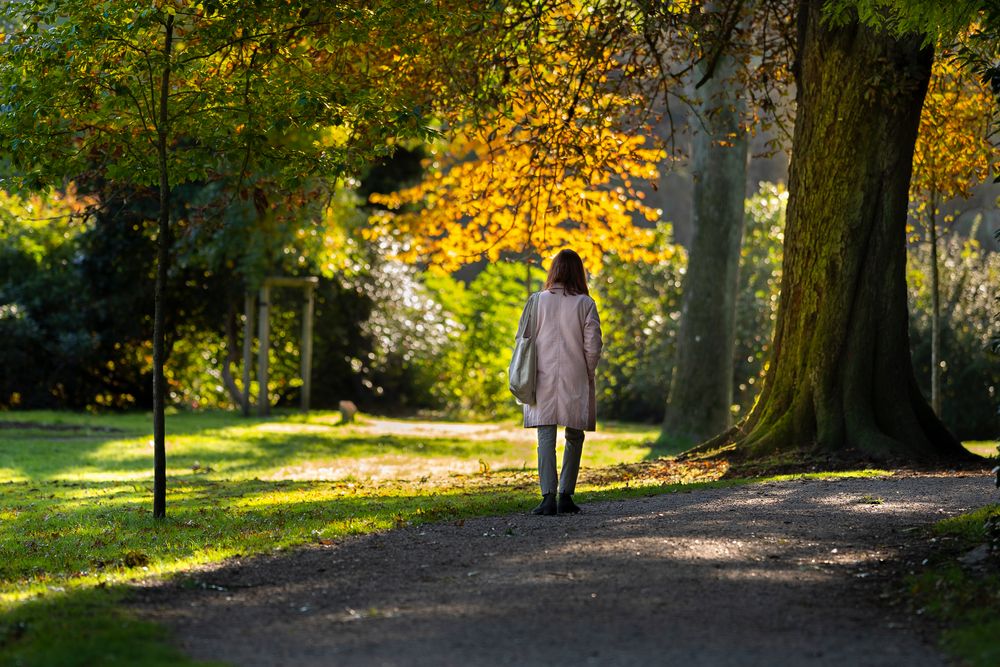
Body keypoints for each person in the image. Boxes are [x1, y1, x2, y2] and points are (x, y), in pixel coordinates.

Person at [516, 249, 603, 515]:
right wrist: (587, 372)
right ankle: (566, 494)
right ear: (579, 271)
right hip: (574, 374)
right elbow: (593, 345)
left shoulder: (536, 301)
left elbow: (523, 338)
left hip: (541, 375)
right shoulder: (585, 304)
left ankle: (547, 498)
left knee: (545, 436)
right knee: (574, 434)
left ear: (553, 271)